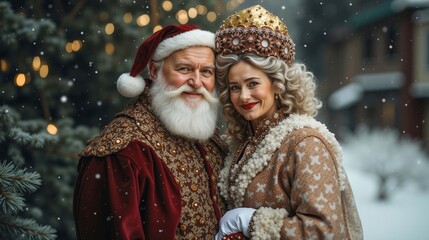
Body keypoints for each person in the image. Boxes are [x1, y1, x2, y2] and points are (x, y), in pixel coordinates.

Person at [214, 5, 363, 240]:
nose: (243, 96)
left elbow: (325, 232)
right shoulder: (241, 142)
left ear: (277, 84)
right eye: (235, 87)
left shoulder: (305, 143)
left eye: (253, 84)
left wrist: (252, 222)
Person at [73, 24, 228, 240]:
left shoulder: (210, 139)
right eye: (184, 69)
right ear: (155, 71)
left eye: (207, 72)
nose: (196, 82)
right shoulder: (124, 151)